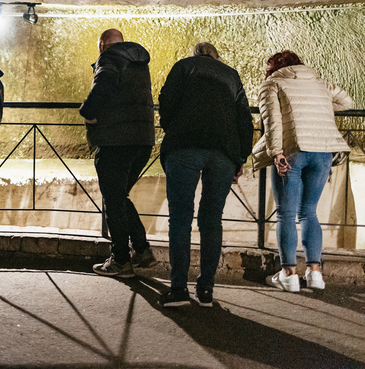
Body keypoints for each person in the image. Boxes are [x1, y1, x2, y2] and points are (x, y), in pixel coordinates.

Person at [158, 42, 253, 307]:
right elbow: (244, 118)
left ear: (195, 54)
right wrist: (240, 157)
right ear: (216, 57)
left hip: (185, 146)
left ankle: (178, 289)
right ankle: (206, 290)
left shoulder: (183, 67)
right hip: (222, 152)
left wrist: (173, 126)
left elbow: (166, 101)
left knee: (180, 217)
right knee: (211, 219)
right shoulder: (231, 74)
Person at [252, 51, 353, 292]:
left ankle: (288, 274)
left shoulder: (271, 84)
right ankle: (315, 273)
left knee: (286, 214)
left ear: (273, 67)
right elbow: (348, 103)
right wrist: (318, 110)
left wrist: (276, 152)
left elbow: (273, 122)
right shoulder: (319, 82)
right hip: (323, 152)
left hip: (292, 151)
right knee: (309, 212)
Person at [80, 29, 157, 278]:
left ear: (102, 45)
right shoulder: (138, 62)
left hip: (116, 141)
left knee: (113, 200)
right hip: (142, 140)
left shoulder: (109, 59)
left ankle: (121, 260)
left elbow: (103, 84)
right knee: (119, 196)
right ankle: (142, 250)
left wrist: (88, 112)